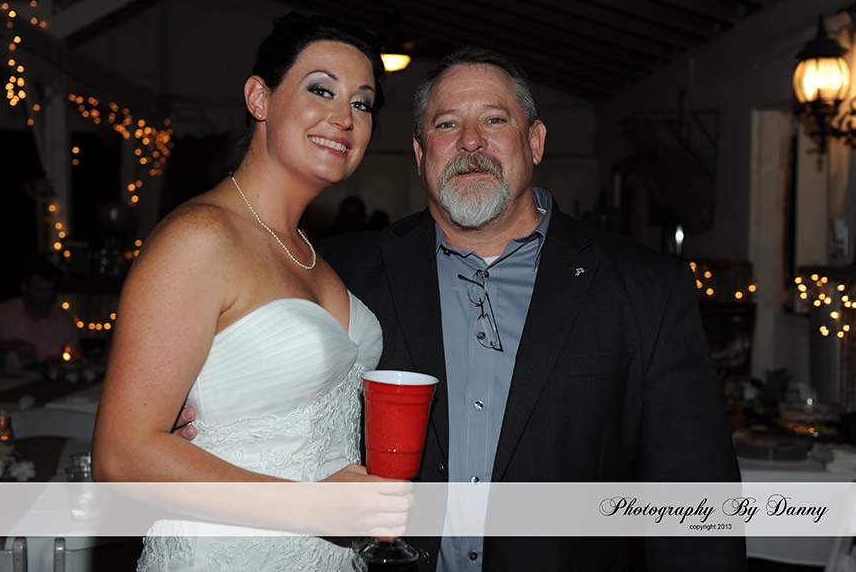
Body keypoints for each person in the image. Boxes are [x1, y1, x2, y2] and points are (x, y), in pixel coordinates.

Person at [317, 46, 747, 571]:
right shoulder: (342, 273)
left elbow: (696, 507)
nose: (470, 141)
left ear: (535, 142)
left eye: (494, 120)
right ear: (420, 151)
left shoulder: (647, 290)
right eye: (447, 124)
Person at [91, 12, 410, 572]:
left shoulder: (312, 254)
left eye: (362, 104)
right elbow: (120, 457)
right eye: (321, 90)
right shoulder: (201, 238)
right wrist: (312, 508)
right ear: (259, 98)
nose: (344, 118)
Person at [0, 254, 80, 373]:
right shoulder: (2, 314)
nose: (48, 296)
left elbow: (76, 361)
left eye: (51, 289)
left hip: (46, 384)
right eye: (40, 290)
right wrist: (11, 345)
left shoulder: (65, 322)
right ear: (24, 287)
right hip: (2, 383)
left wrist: (61, 365)